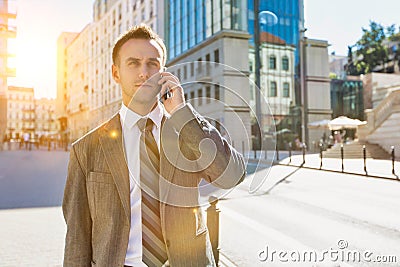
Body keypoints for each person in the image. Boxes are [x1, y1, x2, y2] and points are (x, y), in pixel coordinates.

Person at [62, 24, 245, 267]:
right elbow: (77, 237)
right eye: (133, 63)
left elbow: (231, 176)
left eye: (152, 63)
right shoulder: (86, 149)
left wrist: (182, 113)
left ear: (164, 72)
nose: (144, 72)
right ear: (116, 73)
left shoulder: (187, 132)